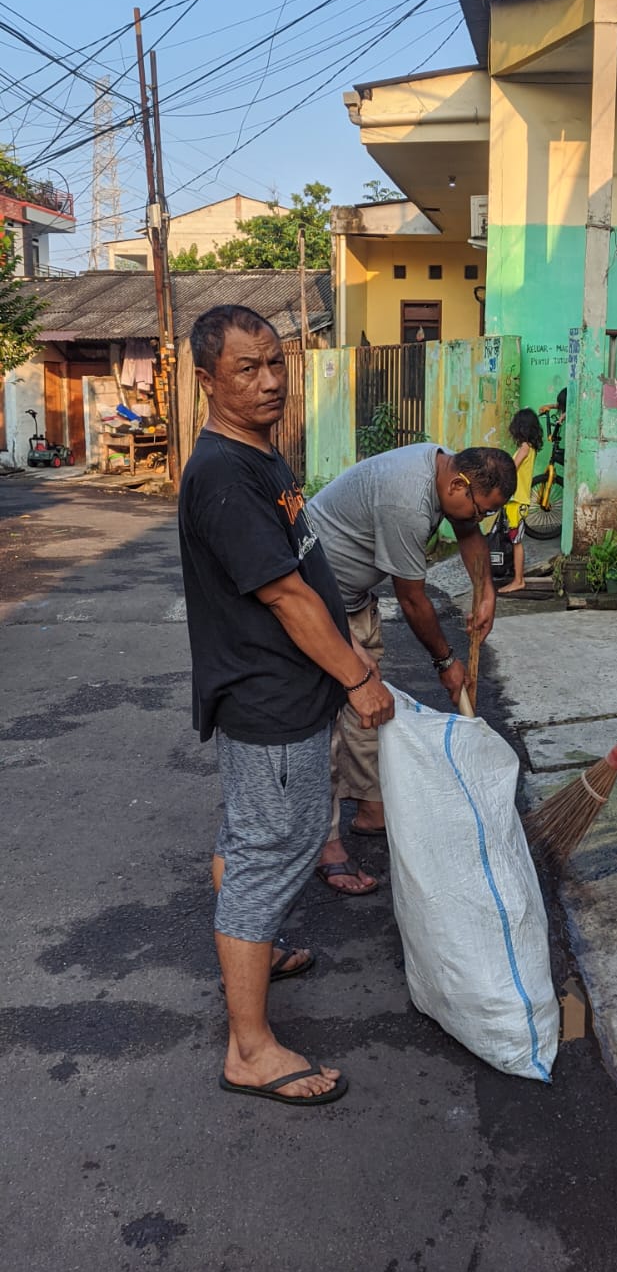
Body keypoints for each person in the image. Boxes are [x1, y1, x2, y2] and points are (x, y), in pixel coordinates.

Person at [178, 305, 395, 1106]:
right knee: (277, 850)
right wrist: (357, 676)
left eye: (276, 363)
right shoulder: (222, 477)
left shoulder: (259, 454)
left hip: (281, 696)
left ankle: (254, 949)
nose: (269, 381)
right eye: (247, 369)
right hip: (271, 704)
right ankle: (251, 1047)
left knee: (252, 838)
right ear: (207, 379)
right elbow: (284, 597)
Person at [306, 443, 517, 891]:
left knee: (369, 709)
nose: (479, 519)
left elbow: (467, 531)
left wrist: (486, 590)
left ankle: (370, 809)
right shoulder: (407, 500)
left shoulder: (448, 472)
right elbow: (412, 599)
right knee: (321, 722)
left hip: (353, 601)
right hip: (317, 609)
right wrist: (445, 661)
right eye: (481, 509)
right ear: (458, 484)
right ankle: (326, 845)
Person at [497, 407, 544, 594]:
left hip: (517, 501)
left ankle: (518, 580)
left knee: (516, 542)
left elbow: (511, 469)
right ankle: (516, 578)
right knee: (514, 540)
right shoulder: (528, 448)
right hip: (515, 500)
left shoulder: (524, 448)